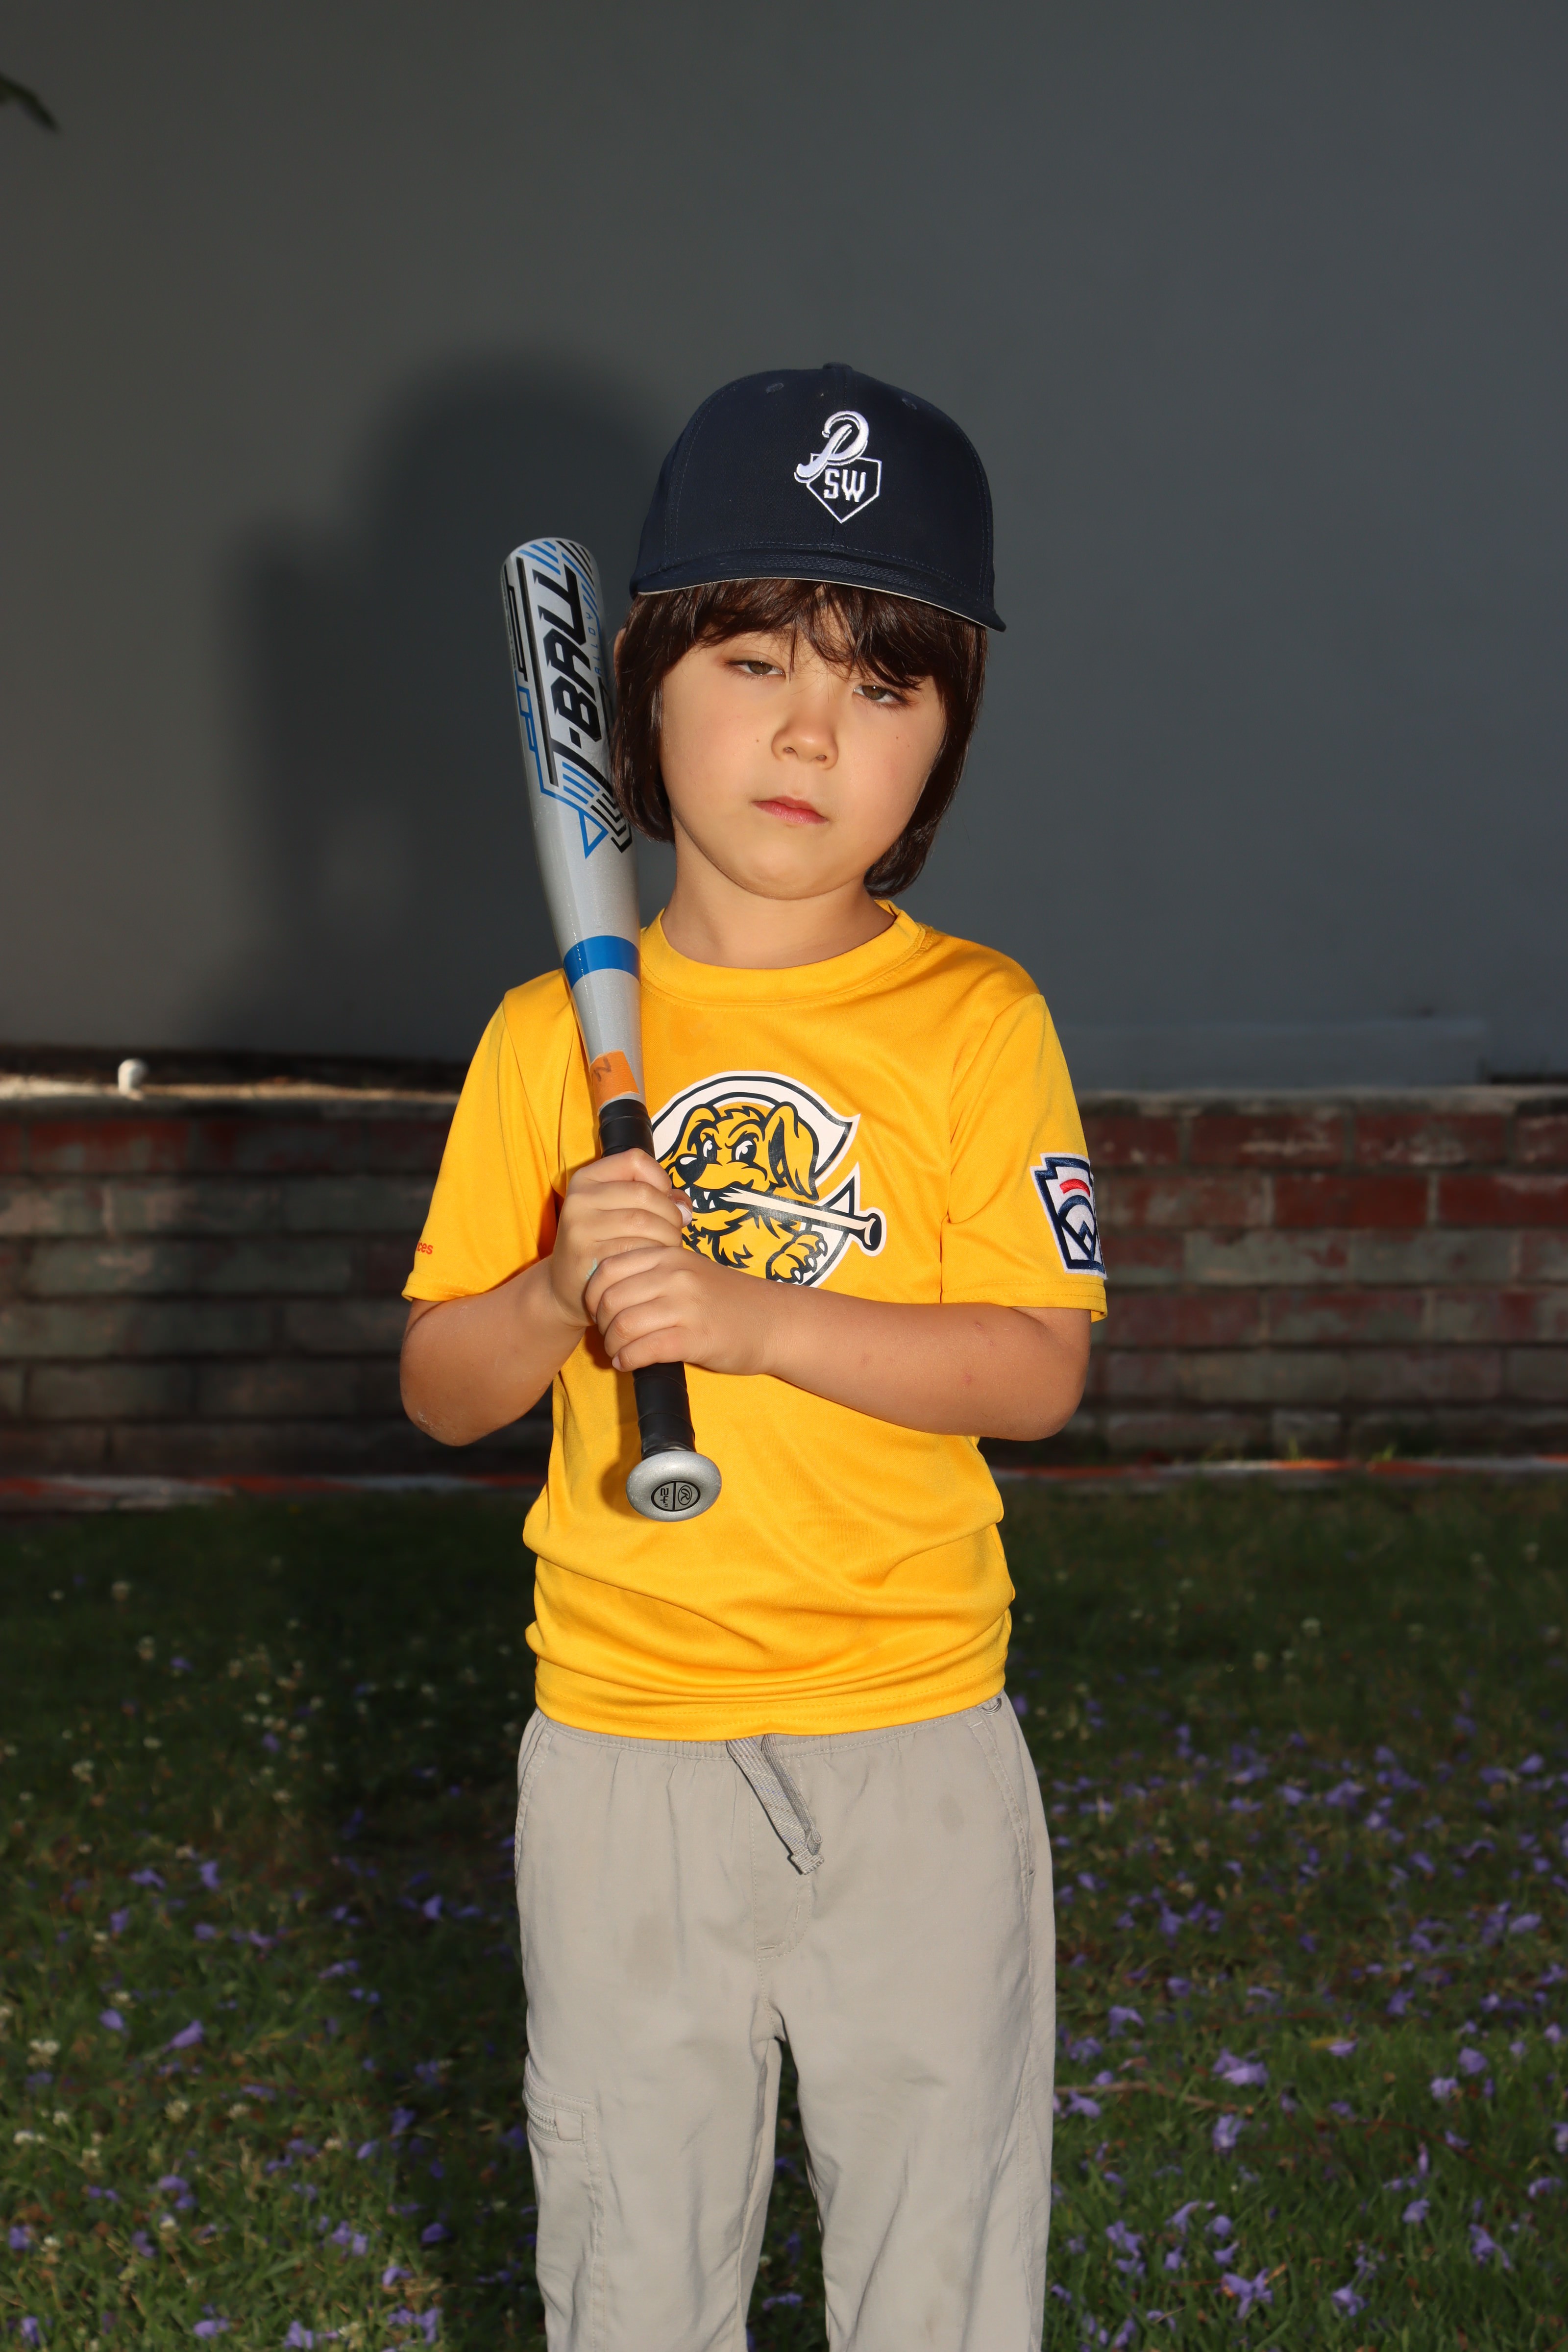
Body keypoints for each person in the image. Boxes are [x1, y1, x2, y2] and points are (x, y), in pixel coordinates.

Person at [400, 365, 1108, 2352]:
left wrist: (754, 1318)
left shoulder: (978, 1019)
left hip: (917, 1738)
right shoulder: (542, 1041)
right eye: (753, 659)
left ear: (943, 745)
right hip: (626, 1744)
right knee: (633, 2262)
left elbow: (1034, 1369)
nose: (810, 729)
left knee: (938, 2264)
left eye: (884, 685)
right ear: (638, 692)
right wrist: (554, 1297)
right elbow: (443, 1387)